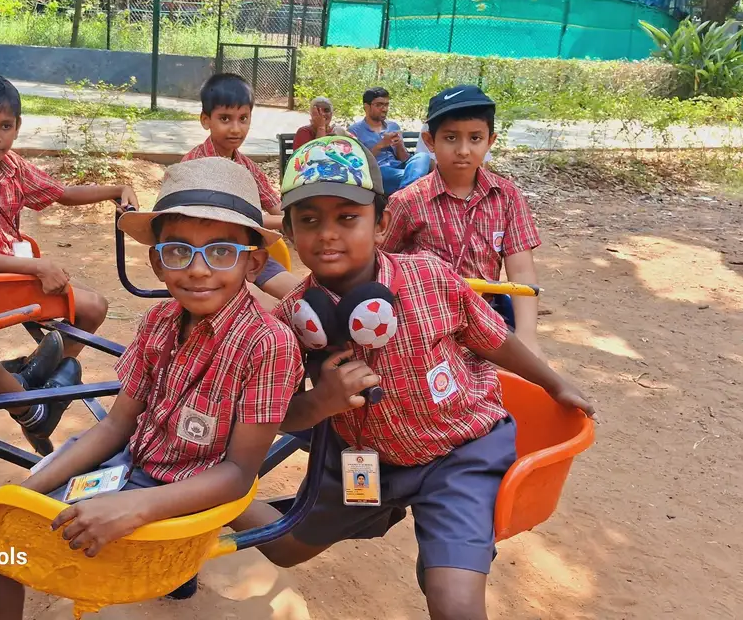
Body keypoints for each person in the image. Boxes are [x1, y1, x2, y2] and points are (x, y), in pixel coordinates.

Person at [231, 135, 596, 620]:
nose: (327, 234)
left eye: (347, 217)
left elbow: (490, 337)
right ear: (291, 235)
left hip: (459, 451)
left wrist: (553, 382)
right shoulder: (293, 319)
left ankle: (449, 553)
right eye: (309, 220)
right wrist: (321, 403)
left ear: (381, 225)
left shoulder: (431, 277)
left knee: (454, 602)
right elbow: (276, 414)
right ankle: (204, 488)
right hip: (363, 461)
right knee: (284, 546)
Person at [0, 157, 303, 619]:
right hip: (126, 472)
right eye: (178, 251)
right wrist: (22, 494)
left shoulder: (267, 345)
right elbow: (115, 426)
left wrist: (134, 507)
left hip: (173, 513)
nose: (197, 269)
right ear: (156, 262)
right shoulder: (158, 323)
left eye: (222, 251)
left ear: (253, 262)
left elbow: (236, 475)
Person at [0, 73, 139, 453]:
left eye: (5, 127)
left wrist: (117, 189)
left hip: (8, 272)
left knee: (83, 306)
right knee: (93, 308)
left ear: (18, 127)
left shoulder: (11, 166)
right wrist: (38, 268)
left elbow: (63, 193)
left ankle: (35, 389)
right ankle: (41, 400)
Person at [383, 86, 544, 357]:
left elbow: (521, 272)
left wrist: (527, 336)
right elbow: (380, 264)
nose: (463, 150)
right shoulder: (407, 202)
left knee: (522, 384)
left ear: (490, 142)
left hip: (485, 318)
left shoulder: (507, 197)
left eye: (475, 138)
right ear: (430, 141)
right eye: (450, 138)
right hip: (422, 324)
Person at [182, 73, 301, 300]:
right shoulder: (196, 165)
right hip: (207, 259)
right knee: (260, 307)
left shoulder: (246, 165)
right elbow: (220, 220)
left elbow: (275, 205)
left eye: (243, 119)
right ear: (206, 120)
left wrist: (297, 219)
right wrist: (285, 222)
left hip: (247, 253)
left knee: (303, 299)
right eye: (225, 119)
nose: (236, 129)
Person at [347, 87, 432, 195]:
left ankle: (402, 195)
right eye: (379, 105)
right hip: (378, 171)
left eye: (386, 105)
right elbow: (356, 163)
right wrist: (381, 145)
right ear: (366, 107)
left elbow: (404, 159)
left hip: (399, 168)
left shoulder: (393, 126)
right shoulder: (354, 131)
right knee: (402, 174)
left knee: (423, 157)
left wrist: (399, 145)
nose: (384, 109)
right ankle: (411, 188)